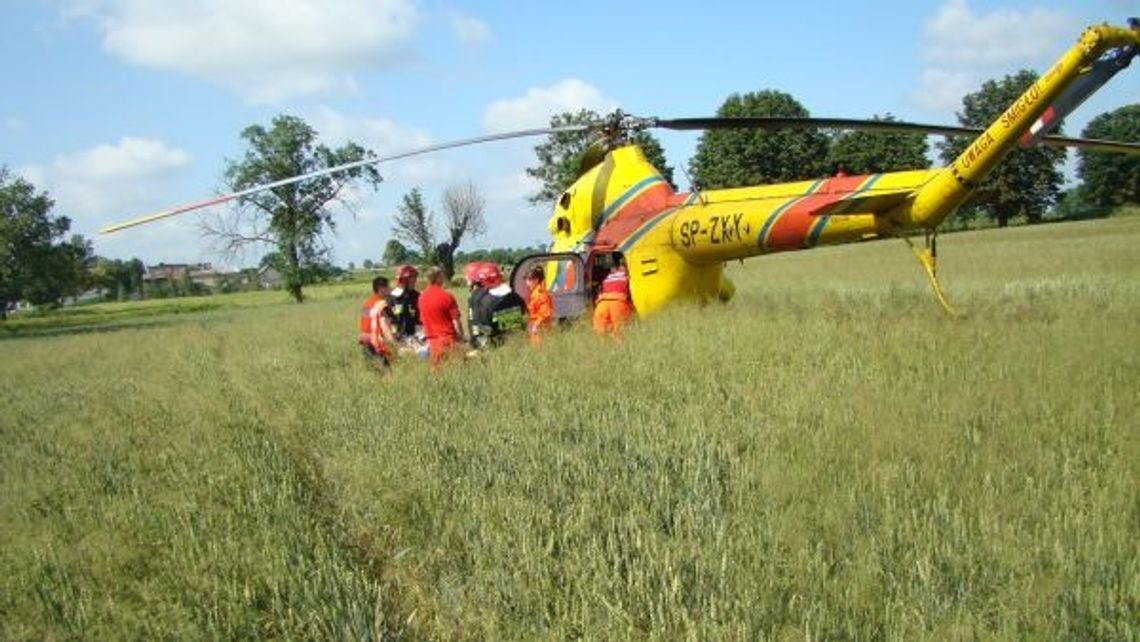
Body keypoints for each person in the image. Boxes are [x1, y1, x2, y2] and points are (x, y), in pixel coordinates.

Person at [465, 262, 526, 351]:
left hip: (494, 346)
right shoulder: (514, 297)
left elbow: (483, 330)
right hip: (517, 342)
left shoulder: (483, 301)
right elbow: (522, 314)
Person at [418, 266, 465, 369]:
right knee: (457, 372)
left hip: (432, 343)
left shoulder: (421, 298)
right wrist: (462, 338)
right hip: (448, 341)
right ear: (438, 277)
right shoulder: (447, 296)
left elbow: (423, 321)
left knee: (438, 374)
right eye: (442, 275)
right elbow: (456, 321)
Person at [358, 276, 396, 367]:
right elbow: (385, 326)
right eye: (388, 287)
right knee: (387, 373)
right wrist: (393, 344)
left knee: (374, 373)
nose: (390, 289)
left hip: (365, 341)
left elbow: (366, 321)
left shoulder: (367, 302)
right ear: (381, 289)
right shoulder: (381, 304)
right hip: (377, 343)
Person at [593, 258, 632, 341]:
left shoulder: (608, 277)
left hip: (602, 305)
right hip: (618, 304)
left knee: (600, 335)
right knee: (619, 335)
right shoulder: (628, 277)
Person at [387, 264, 421, 341]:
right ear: (404, 280)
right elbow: (389, 320)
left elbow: (420, 319)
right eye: (412, 278)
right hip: (398, 338)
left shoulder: (416, 296)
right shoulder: (391, 298)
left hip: (415, 336)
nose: (415, 281)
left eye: (415, 278)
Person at [525, 265, 553, 345]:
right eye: (526, 280)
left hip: (540, 330)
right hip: (536, 328)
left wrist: (535, 326)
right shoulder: (534, 292)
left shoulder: (540, 294)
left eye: (529, 280)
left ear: (536, 280)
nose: (527, 283)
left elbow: (545, 313)